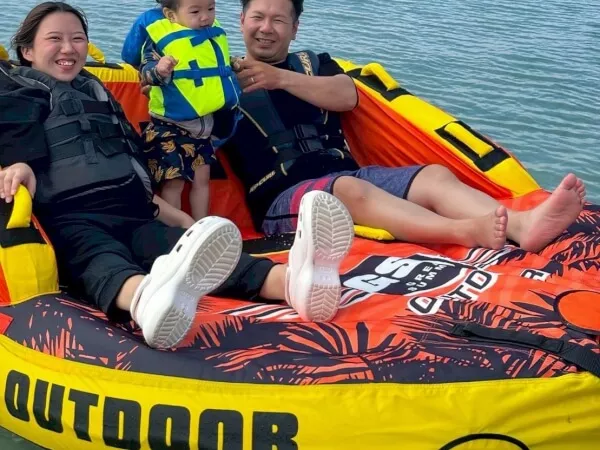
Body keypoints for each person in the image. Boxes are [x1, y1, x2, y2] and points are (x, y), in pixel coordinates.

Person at [0, 1, 354, 349]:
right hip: (74, 217)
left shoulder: (95, 91)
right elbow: (16, 131)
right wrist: (18, 164)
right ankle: (148, 301)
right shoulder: (20, 89)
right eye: (55, 39)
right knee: (99, 260)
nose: (69, 48)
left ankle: (295, 282)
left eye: (78, 39)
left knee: (192, 254)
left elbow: (129, 161)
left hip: (134, 212)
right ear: (27, 51)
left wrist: (176, 217)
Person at [221, 0, 587, 254]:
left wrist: (279, 78)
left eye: (278, 20)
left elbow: (346, 96)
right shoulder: (220, 83)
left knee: (434, 176)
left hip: (349, 174)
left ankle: (522, 226)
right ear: (241, 21)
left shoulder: (314, 64)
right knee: (347, 189)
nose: (266, 28)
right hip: (281, 199)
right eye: (257, 17)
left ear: (295, 28)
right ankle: (463, 231)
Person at [122, 0, 241, 221]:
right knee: (173, 182)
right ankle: (176, 231)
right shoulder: (160, 39)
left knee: (202, 181)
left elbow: (217, 64)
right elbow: (146, 72)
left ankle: (201, 227)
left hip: (203, 130)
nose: (205, 17)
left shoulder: (210, 37)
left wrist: (233, 63)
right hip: (168, 129)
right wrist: (159, 70)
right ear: (171, 15)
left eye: (211, 9)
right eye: (195, 11)